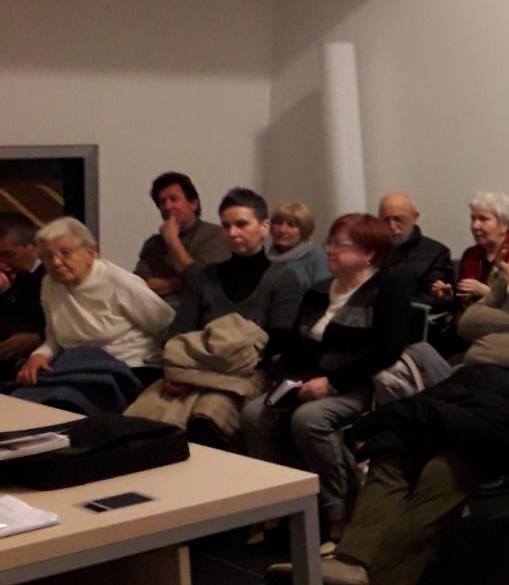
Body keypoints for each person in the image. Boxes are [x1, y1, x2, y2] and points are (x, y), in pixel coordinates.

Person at [269, 198, 509, 585]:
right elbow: (469, 324)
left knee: (445, 468)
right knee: (394, 446)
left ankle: (358, 583)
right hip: (473, 383)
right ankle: (350, 569)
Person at [240, 213, 409, 534]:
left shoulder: (388, 288)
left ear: (369, 252)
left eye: (340, 244)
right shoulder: (319, 290)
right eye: (329, 242)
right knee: (253, 415)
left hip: (360, 383)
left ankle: (339, 512)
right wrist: (285, 380)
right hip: (309, 380)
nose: (330, 250)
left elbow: (388, 349)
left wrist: (331, 383)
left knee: (310, 420)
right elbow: (296, 344)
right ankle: (279, 501)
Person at [126, 188, 304, 446]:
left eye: (242, 224)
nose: (233, 233)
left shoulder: (282, 279)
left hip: (245, 375)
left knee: (207, 417)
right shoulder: (204, 277)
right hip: (192, 370)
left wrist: (215, 363)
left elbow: (279, 341)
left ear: (264, 227)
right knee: (142, 418)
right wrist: (176, 371)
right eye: (227, 226)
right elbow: (178, 331)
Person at [14, 217, 174, 403]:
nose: (56, 262)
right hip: (78, 367)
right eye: (48, 256)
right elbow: (55, 338)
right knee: (23, 393)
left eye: (65, 252)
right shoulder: (50, 284)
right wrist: (39, 355)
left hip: (129, 368)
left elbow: (169, 326)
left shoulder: (119, 281)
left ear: (90, 252)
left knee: (64, 399)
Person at [134, 172, 231, 305]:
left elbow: (203, 282)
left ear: (193, 203)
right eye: (162, 202)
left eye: (174, 199)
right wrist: (180, 282)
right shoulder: (154, 243)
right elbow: (138, 286)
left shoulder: (217, 235)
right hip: (152, 307)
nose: (168, 207)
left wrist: (173, 241)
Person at [431, 191, 509, 305]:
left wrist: (488, 293)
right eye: (473, 219)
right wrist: (451, 296)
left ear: (504, 225)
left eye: (483, 219)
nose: (475, 226)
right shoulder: (470, 254)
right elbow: (463, 298)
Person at [377, 191, 455, 303]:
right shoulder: (369, 250)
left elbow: (433, 298)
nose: (391, 226)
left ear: (415, 217)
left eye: (398, 219)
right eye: (385, 220)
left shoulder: (436, 253)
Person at [0, 214, 45, 381]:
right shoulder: (10, 275)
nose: (2, 264)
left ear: (34, 245)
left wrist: (38, 338)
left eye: (8, 255)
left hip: (38, 363)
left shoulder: (54, 276)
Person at [267, 201, 330, 289]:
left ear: (304, 229)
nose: (282, 230)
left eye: (291, 225)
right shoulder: (263, 260)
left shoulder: (318, 259)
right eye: (278, 223)